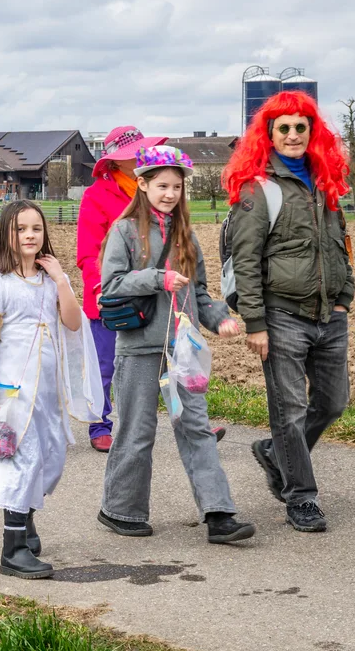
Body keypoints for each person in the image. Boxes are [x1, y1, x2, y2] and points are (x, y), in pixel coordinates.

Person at [98, 145, 254, 546]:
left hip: (182, 349)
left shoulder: (187, 235)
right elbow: (110, 285)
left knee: (196, 427)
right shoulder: (125, 231)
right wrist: (157, 278)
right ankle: (121, 509)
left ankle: (219, 514)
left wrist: (219, 319)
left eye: (177, 187)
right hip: (139, 347)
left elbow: (199, 292)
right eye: (162, 185)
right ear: (143, 184)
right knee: (137, 430)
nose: (170, 193)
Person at [223, 90, 354, 533]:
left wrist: (344, 298)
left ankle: (276, 454)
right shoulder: (259, 188)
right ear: (270, 134)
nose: (294, 134)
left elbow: (341, 244)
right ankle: (301, 497)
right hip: (282, 315)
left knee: (334, 402)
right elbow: (246, 260)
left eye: (302, 127)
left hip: (329, 315)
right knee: (290, 410)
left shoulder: (326, 182)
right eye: (285, 128)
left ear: (312, 132)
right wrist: (255, 323)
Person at [0, 201, 106, 579]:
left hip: (47, 390)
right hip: (13, 388)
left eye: (36, 228)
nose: (29, 235)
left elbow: (74, 323)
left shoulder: (48, 282)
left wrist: (62, 279)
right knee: (21, 458)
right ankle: (11, 550)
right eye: (20, 229)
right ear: (6, 235)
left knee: (48, 457)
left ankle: (25, 525)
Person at [76, 125, 165, 452]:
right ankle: (100, 423)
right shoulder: (96, 196)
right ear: (115, 161)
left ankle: (191, 422)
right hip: (111, 297)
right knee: (106, 364)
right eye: (132, 153)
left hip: (154, 292)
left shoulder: (153, 190)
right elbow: (88, 252)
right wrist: (104, 289)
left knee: (172, 360)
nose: (140, 157)